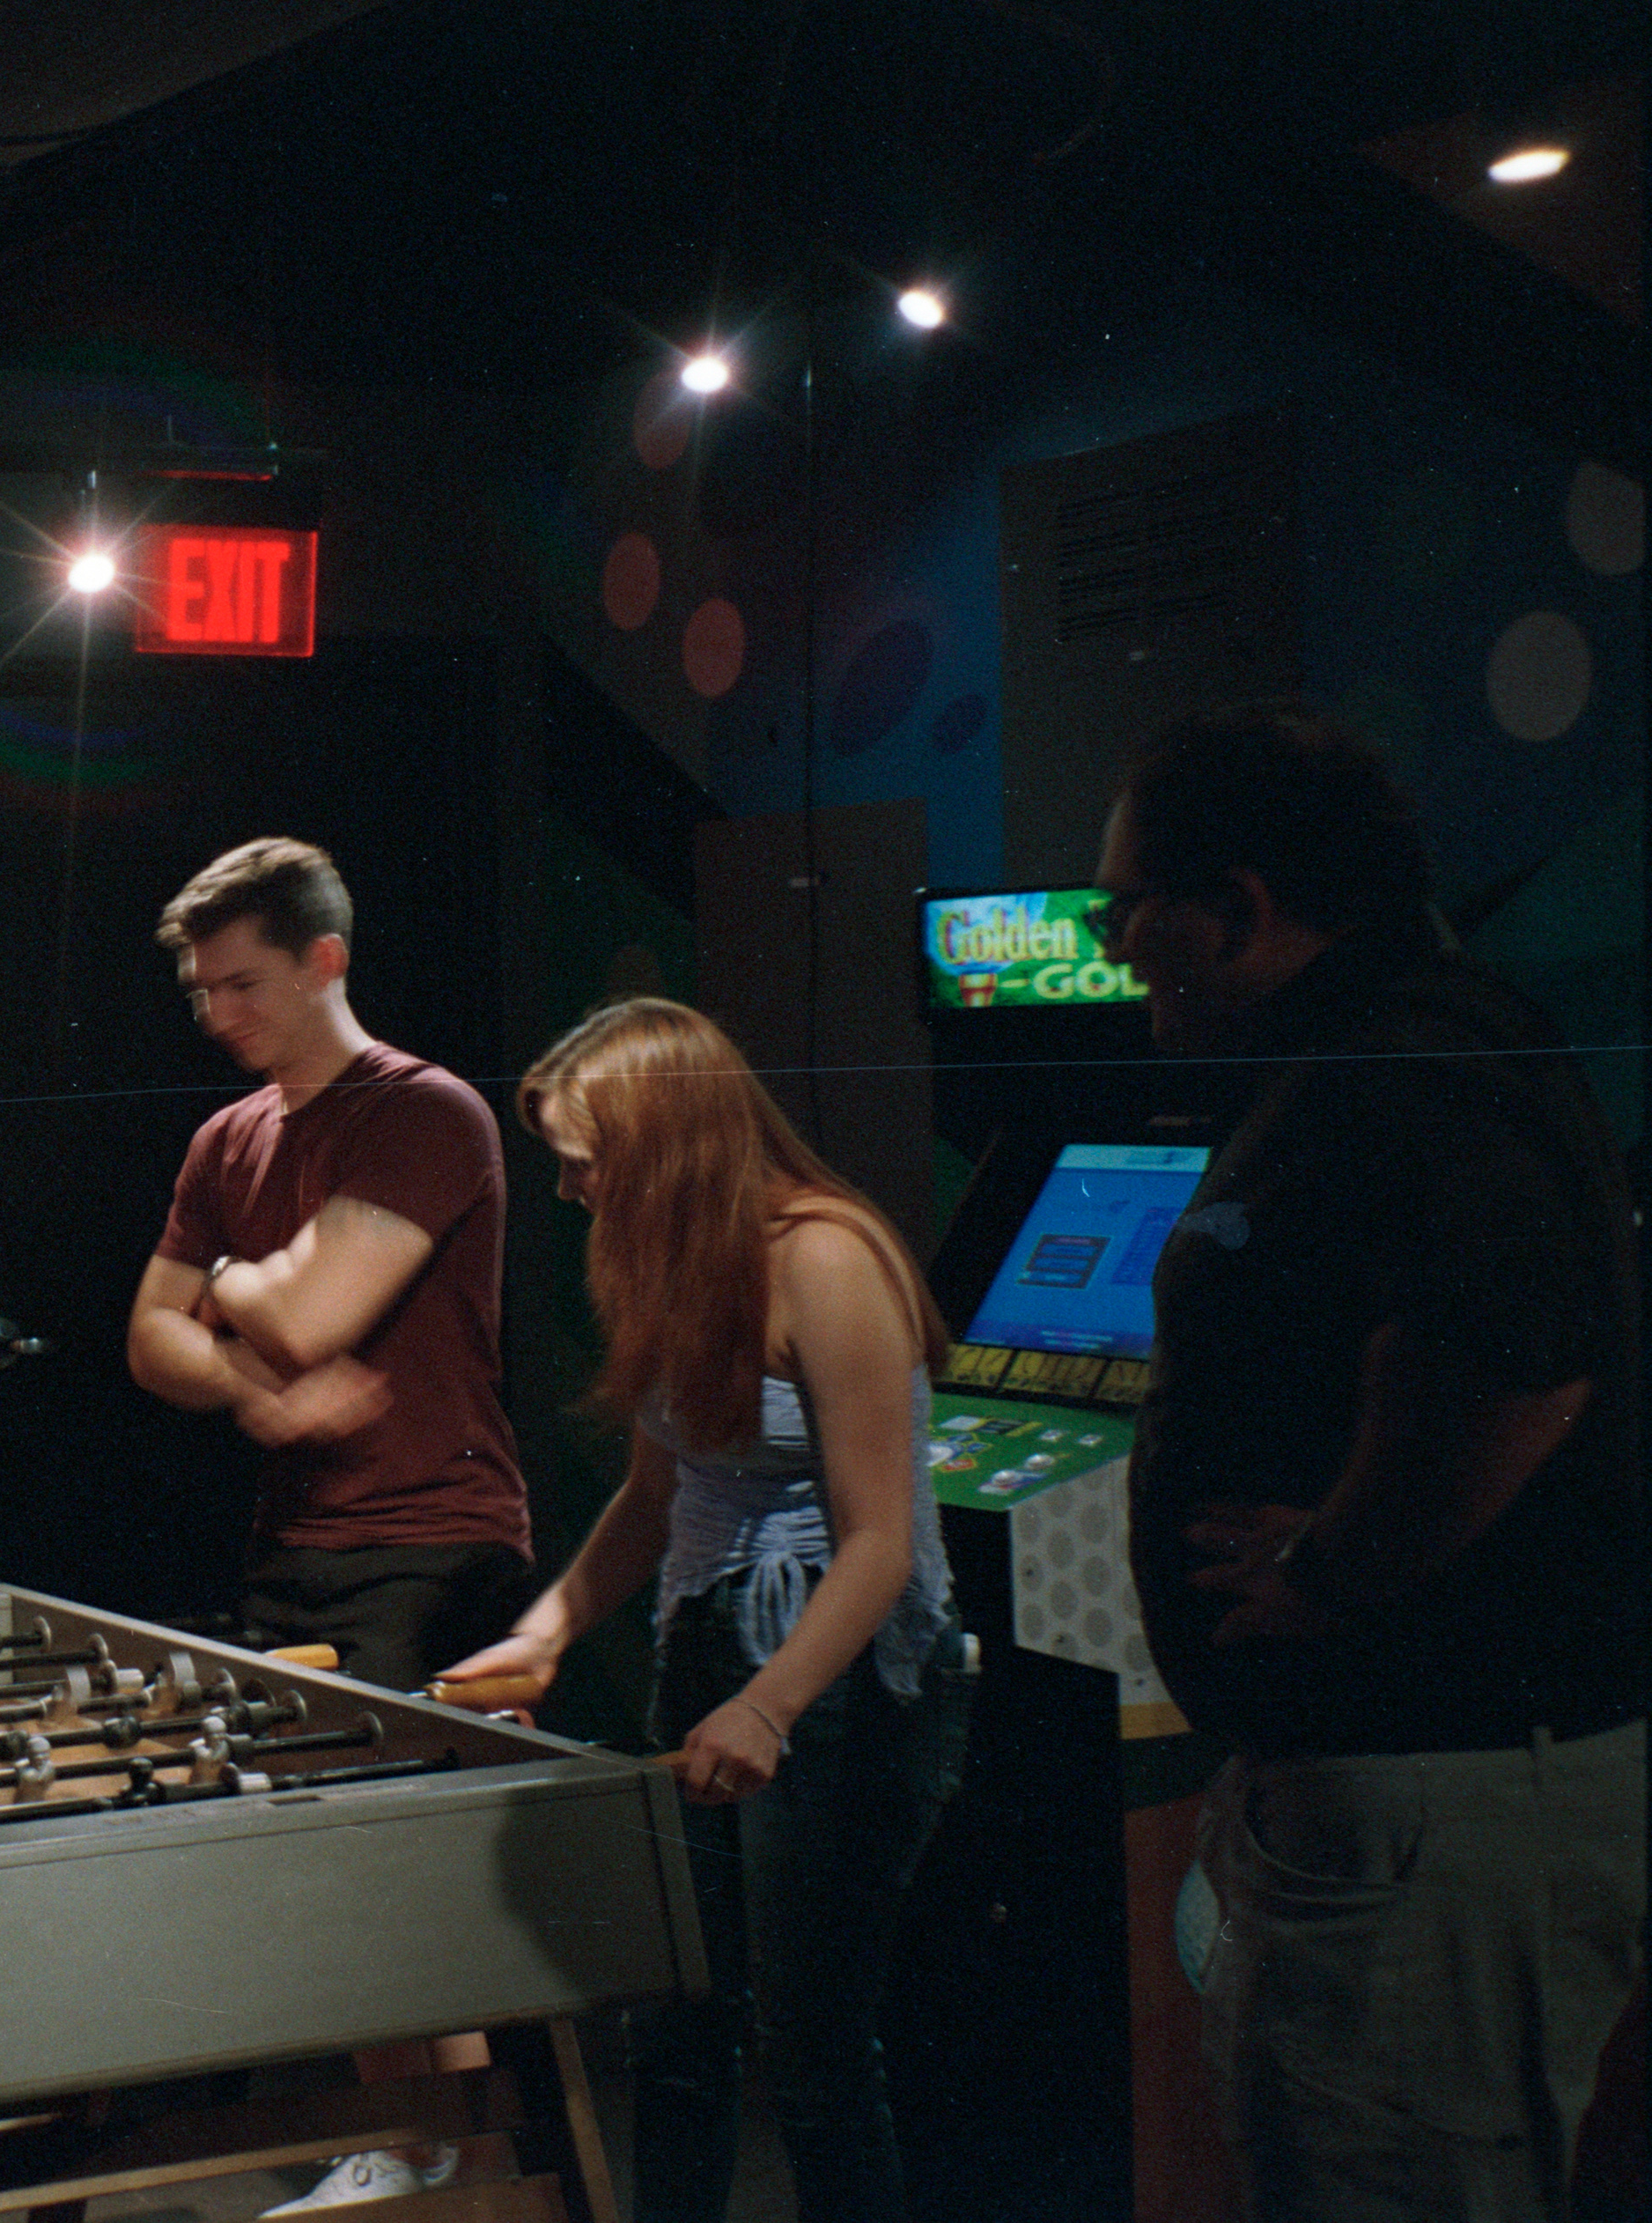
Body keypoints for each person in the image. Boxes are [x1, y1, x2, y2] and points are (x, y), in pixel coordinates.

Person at [1095, 705, 1642, 2223]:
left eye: (1127, 907)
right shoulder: (1412, 1042)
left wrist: (1337, 1563)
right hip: (1420, 1803)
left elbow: (1516, 1343)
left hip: (1425, 1806)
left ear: (1240, 906)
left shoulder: (1402, 1062)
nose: (1115, 946)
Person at [443, 998, 970, 2223]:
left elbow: (880, 1544)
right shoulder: (664, 1256)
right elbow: (657, 1489)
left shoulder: (826, 1257)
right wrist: (549, 1629)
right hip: (711, 1639)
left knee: (813, 2057)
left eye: (584, 1159)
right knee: (677, 2025)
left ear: (667, 1145)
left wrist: (769, 1708)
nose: (569, 1187)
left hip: (839, 1672)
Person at [124, 838, 528, 2210]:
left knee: (400, 1874)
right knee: (324, 1863)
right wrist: (249, 1383)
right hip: (302, 1541)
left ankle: (460, 2168)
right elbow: (148, 1339)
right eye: (200, 991)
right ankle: (406, 2148)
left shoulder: (427, 1112)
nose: (216, 1013)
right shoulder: (225, 1138)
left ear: (324, 961)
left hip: (435, 1539)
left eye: (240, 983)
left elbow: (307, 1312)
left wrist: (236, 1287)